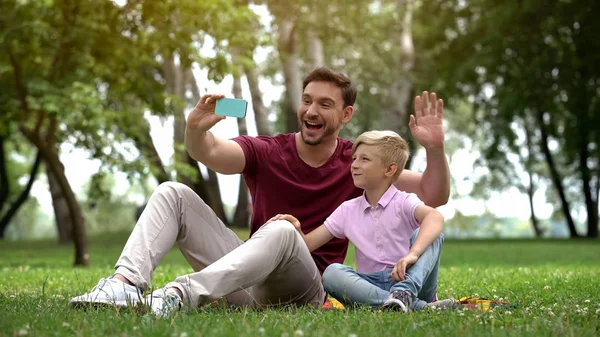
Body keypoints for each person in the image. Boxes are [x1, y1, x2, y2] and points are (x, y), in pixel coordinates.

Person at [68, 67, 450, 317]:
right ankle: (124, 286)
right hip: (244, 280)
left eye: (325, 104)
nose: (311, 111)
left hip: (302, 287)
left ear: (345, 116)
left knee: (283, 231)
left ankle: (179, 295)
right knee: (173, 192)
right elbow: (212, 153)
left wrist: (434, 149)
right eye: (307, 100)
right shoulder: (268, 150)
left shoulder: (358, 162)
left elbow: (434, 194)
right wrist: (196, 131)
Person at [269, 130, 446, 312]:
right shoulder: (347, 210)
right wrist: (296, 229)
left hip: (413, 280)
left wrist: (412, 255)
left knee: (431, 233)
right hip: (370, 284)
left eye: (364, 159)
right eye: (354, 159)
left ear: (389, 169)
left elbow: (435, 217)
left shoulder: (404, 201)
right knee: (332, 273)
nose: (354, 165)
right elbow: (308, 244)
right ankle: (418, 307)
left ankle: (405, 294)